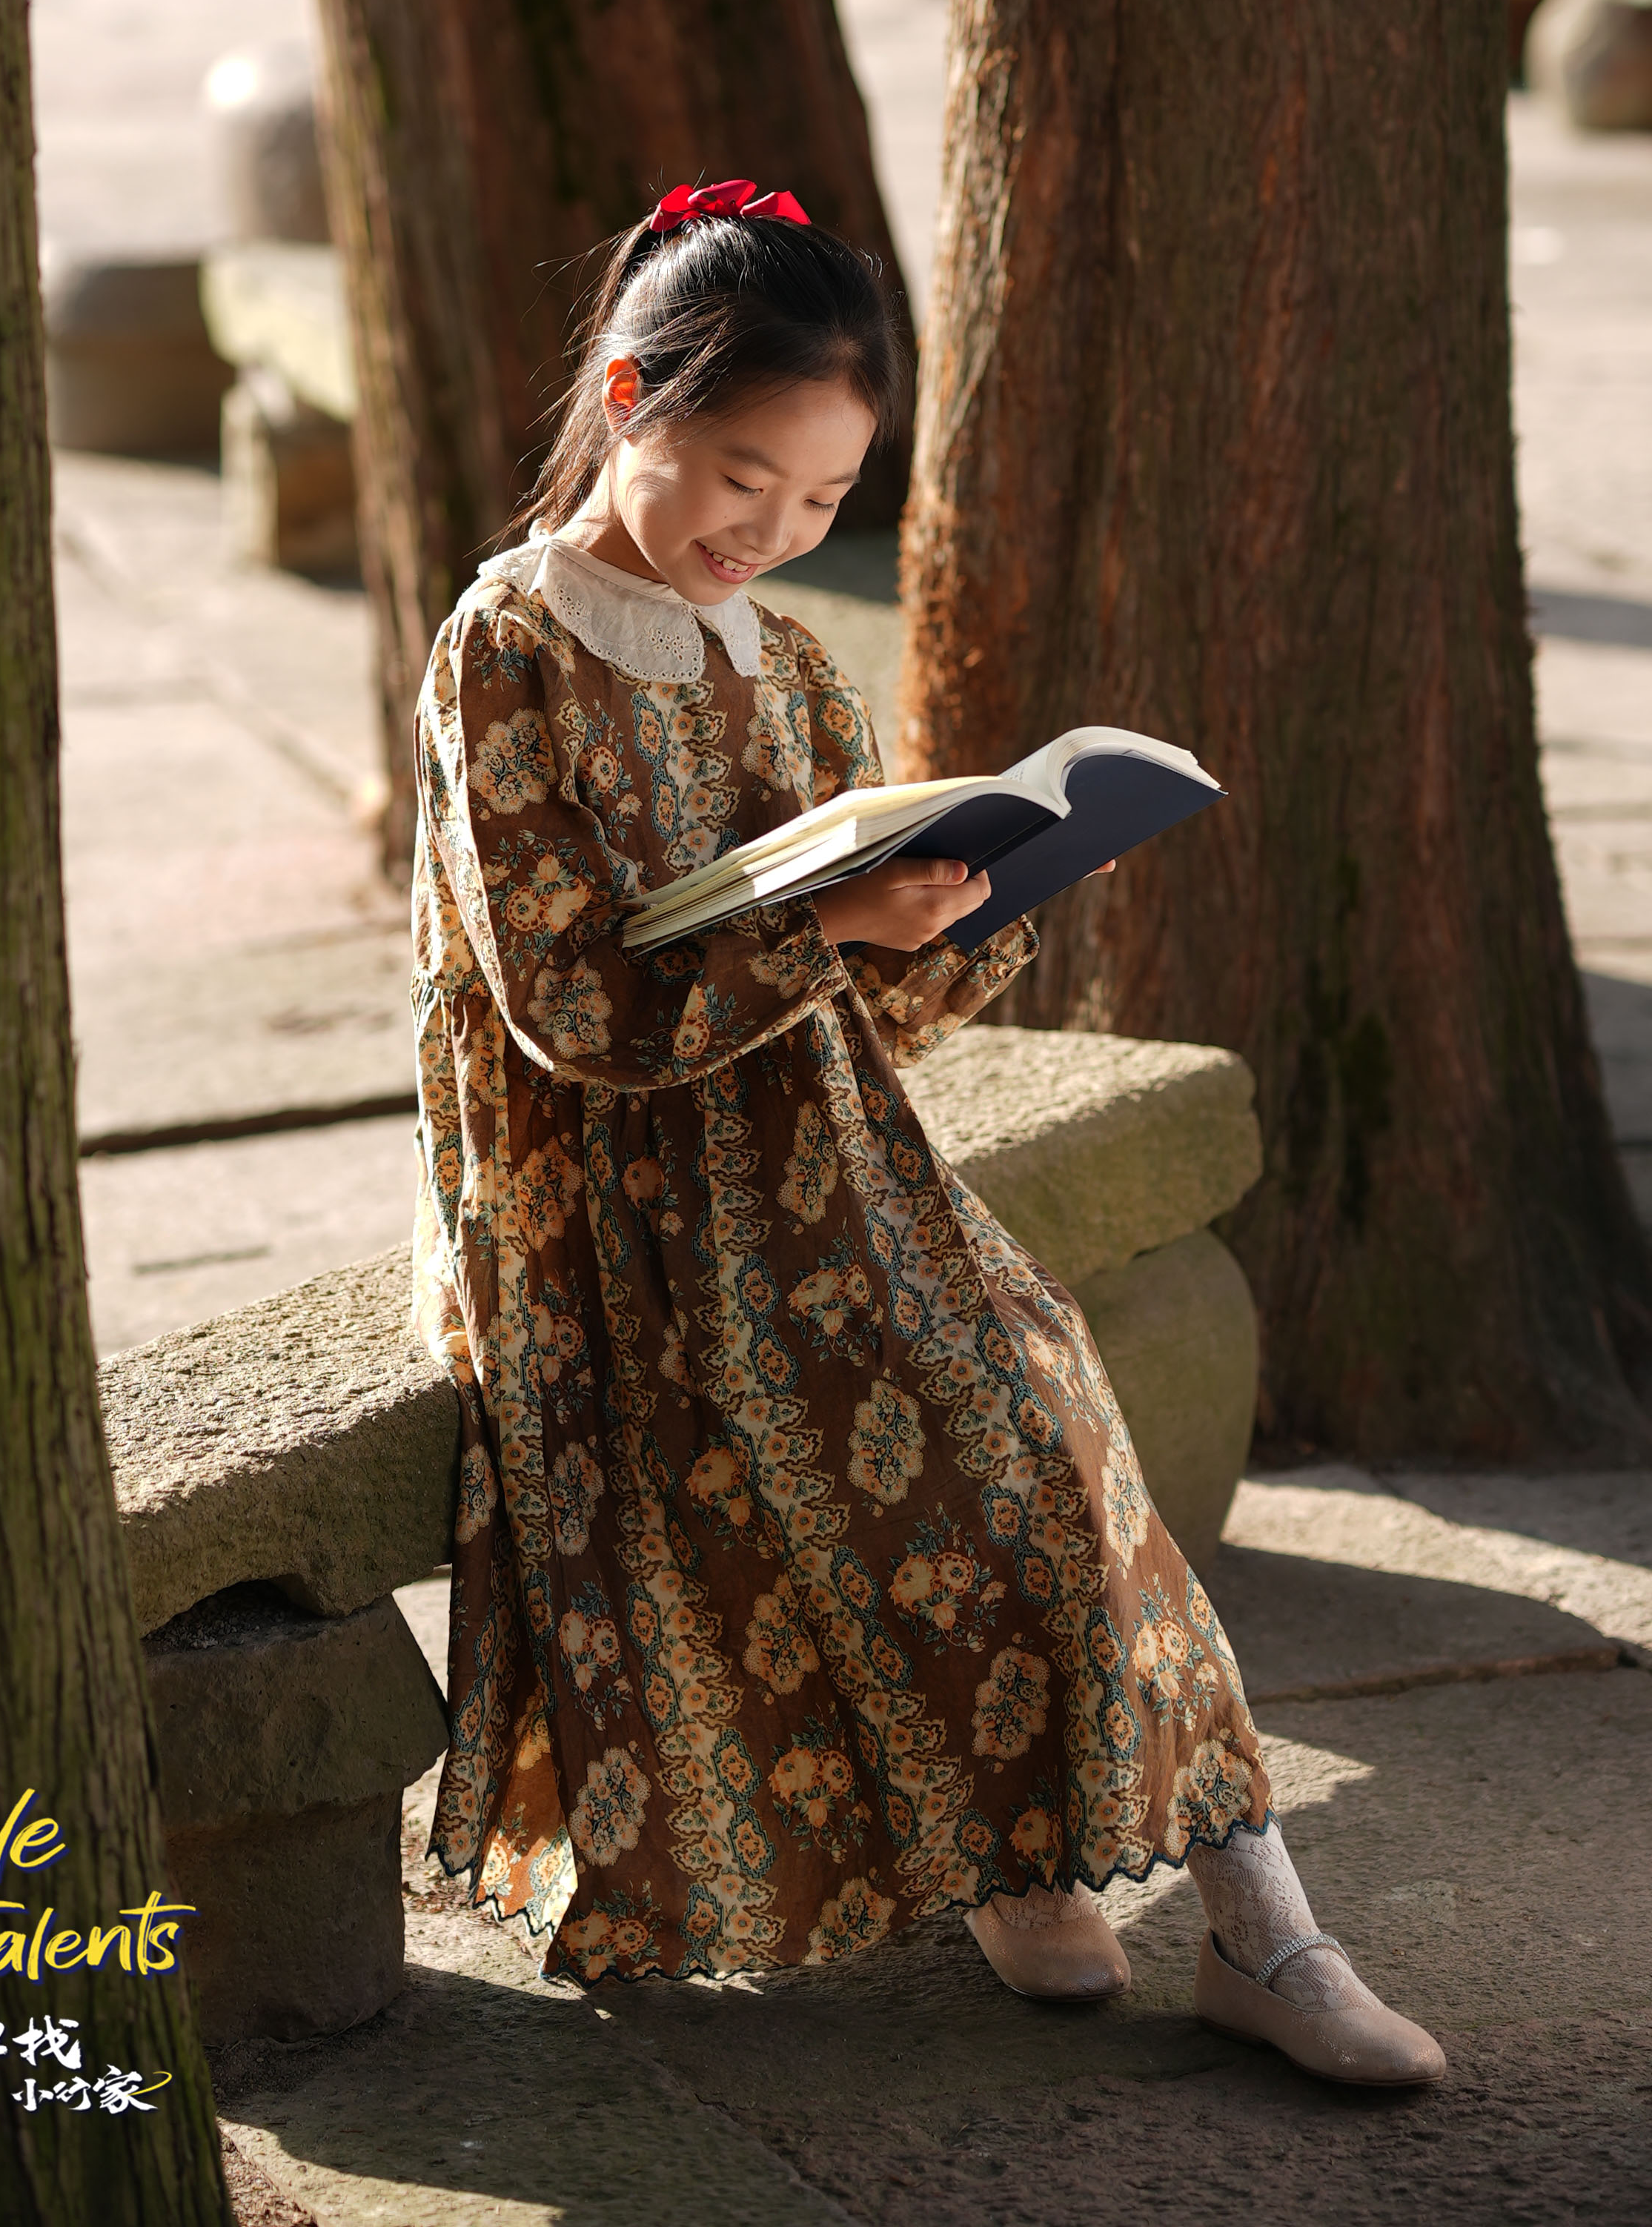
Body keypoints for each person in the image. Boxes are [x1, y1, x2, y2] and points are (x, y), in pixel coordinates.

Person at [409, 179, 1443, 2088]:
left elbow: (864, 1006)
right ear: (631, 393)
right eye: (743, 478)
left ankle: (1265, 1935)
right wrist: (827, 929)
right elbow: (563, 1011)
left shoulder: (791, 666)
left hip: (825, 1164)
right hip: (618, 1207)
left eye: (818, 503)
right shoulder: (510, 647)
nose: (774, 534)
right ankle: (1030, 1862)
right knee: (965, 1453)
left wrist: (947, 917)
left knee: (1056, 1440)